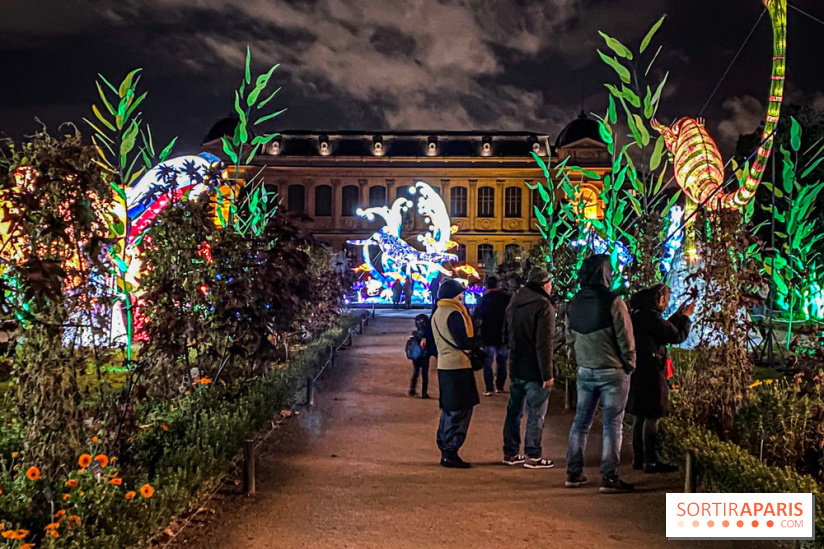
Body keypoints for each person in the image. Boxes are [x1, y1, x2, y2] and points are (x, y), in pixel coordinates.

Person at [564, 254, 636, 493]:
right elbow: (625, 338)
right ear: (605, 274)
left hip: (585, 369)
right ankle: (609, 477)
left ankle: (573, 473)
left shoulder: (573, 303)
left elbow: (568, 337)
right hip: (613, 370)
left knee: (581, 422)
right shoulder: (614, 302)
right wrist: (629, 364)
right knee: (612, 425)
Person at [626, 284, 694, 473]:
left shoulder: (640, 314)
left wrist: (678, 317)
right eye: (667, 297)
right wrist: (686, 318)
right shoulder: (650, 316)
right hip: (652, 370)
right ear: (660, 298)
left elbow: (662, 330)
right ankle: (651, 461)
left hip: (639, 369)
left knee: (640, 414)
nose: (668, 302)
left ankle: (639, 459)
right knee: (653, 415)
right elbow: (675, 336)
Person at [502, 267, 556, 469]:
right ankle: (533, 455)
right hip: (535, 368)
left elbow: (506, 333)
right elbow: (544, 343)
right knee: (536, 412)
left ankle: (510, 453)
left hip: (516, 364)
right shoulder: (543, 306)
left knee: (514, 410)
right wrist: (547, 373)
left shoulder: (515, 302)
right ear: (544, 284)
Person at [431, 278, 482, 468]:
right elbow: (463, 341)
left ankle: (446, 447)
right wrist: (478, 342)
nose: (463, 296)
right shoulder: (454, 313)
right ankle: (451, 450)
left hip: (445, 365)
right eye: (460, 293)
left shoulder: (438, 312)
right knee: (460, 409)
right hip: (458, 366)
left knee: (449, 408)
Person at [473, 275, 511, 395]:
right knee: (502, 361)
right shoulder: (506, 298)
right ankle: (500, 386)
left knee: (487, 362)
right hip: (503, 335)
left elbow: (477, 317)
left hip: (488, 335)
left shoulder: (484, 300)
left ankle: (489, 388)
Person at [409, 313, 436, 399]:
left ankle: (412, 389)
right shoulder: (427, 334)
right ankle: (424, 393)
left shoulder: (416, 334)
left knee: (415, 372)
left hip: (416, 356)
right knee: (424, 374)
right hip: (424, 356)